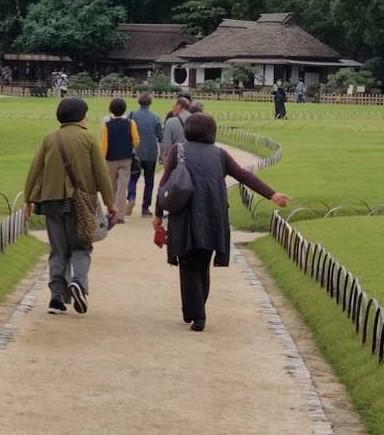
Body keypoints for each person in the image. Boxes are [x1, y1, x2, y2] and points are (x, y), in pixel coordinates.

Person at [152, 113, 290, 331]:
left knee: (188, 263)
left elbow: (165, 184)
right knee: (202, 263)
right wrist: (272, 195)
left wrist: (158, 213)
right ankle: (197, 311)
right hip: (213, 215)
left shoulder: (179, 151)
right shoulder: (220, 154)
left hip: (185, 214)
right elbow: (244, 176)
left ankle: (196, 313)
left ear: (188, 130)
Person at [24, 97, 120, 315]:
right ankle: (78, 282)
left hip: (51, 202)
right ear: (80, 116)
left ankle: (56, 298)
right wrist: (110, 203)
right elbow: (102, 174)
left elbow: (34, 170)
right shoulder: (88, 138)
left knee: (58, 250)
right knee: (81, 247)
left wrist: (28, 199)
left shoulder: (50, 138)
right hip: (80, 203)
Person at [100, 97, 140, 219]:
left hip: (110, 159)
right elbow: (136, 141)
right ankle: (120, 215)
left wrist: (102, 158)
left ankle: (111, 211)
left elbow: (104, 144)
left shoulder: (107, 124)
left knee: (111, 186)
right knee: (122, 188)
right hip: (126, 158)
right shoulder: (130, 123)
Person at [128, 93, 164, 217]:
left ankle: (131, 197)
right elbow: (160, 137)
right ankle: (145, 208)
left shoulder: (132, 116)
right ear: (150, 103)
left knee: (133, 177)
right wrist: (162, 154)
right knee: (149, 181)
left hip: (136, 151)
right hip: (150, 152)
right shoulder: (156, 117)